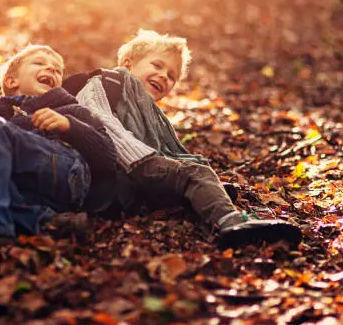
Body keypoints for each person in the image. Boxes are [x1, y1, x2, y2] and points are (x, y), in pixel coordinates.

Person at [68, 30, 302, 247]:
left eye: (171, 76)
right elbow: (94, 117)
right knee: (193, 173)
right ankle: (229, 220)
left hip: (132, 175)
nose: (163, 76)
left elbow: (166, 150)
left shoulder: (151, 115)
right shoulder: (106, 81)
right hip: (117, 168)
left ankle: (208, 200)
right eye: (157, 65)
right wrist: (138, 157)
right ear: (128, 64)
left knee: (193, 174)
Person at [0, 45, 117, 258]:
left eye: (57, 70)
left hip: (66, 174)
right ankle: (44, 221)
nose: (50, 69)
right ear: (12, 81)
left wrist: (69, 126)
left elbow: (108, 156)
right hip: (25, 185)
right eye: (39, 63)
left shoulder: (72, 109)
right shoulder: (2, 122)